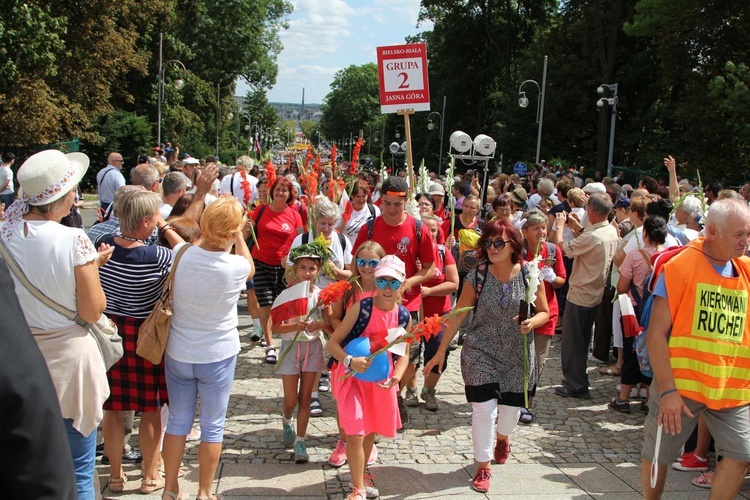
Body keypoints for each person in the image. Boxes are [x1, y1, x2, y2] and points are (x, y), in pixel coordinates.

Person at [0, 149, 112, 500]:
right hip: (69, 361)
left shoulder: (5, 235)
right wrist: (92, 268)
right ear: (62, 196)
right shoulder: (72, 239)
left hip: (18, 359)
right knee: (78, 471)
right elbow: (93, 310)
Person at [424, 220, 549, 493]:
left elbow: (545, 311)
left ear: (513, 245)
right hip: (481, 350)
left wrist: (532, 323)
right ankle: (482, 466)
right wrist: (441, 351)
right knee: (483, 410)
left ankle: (503, 438)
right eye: (488, 243)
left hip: (517, 354)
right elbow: (458, 315)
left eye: (498, 243)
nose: (492, 248)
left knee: (508, 414)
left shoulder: (530, 274)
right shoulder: (477, 276)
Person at [641, 199, 750, 499]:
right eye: (740, 234)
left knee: (742, 454)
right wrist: (667, 393)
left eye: (748, 234)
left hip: (731, 390)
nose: (746, 241)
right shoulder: (680, 267)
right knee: (658, 455)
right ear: (713, 231)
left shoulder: (746, 270)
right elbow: (656, 336)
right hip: (681, 388)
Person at [161, 198, 254, 500]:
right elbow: (250, 266)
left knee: (178, 420)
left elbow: (178, 241)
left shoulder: (182, 254)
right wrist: (238, 234)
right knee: (213, 426)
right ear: (233, 231)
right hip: (216, 353)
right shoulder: (235, 267)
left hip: (179, 351)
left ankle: (170, 488)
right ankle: (204, 491)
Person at [97, 189, 184, 494]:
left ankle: (117, 475)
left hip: (109, 334)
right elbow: (186, 253)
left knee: (112, 407)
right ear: (147, 220)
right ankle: (149, 475)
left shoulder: (102, 248)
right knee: (150, 407)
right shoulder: (159, 256)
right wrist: (166, 227)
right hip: (145, 336)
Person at [352, 176, 436, 424]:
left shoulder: (417, 228)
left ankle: (395, 391)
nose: (391, 210)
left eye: (396, 205)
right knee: (375, 351)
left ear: (405, 202)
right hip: (374, 303)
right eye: (386, 204)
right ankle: (375, 396)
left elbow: (429, 268)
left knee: (408, 354)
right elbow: (356, 263)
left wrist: (407, 283)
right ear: (381, 202)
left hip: (406, 305)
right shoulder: (370, 228)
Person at [328, 256, 412, 500]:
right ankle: (358, 489)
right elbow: (334, 343)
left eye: (393, 283)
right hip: (352, 378)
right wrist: (349, 361)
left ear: (402, 285)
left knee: (370, 432)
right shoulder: (362, 308)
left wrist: (397, 376)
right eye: (382, 281)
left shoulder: (403, 316)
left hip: (378, 383)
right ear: (375, 281)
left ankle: (361, 474)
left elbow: (403, 354)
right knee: (355, 432)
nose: (387, 288)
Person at [0, 258, 77, 499]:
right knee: (81, 454)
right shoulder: (74, 240)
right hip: (64, 350)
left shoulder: (8, 239)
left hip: (34, 347)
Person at [553, 192, 619, 399]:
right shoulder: (609, 230)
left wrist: (561, 227)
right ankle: (578, 382)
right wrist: (577, 228)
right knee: (581, 340)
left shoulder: (593, 235)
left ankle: (575, 385)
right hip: (595, 293)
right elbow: (588, 241)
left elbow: (562, 249)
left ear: (591, 210)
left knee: (573, 343)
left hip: (581, 294)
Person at [328, 240, 386, 468]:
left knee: (370, 402)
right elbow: (335, 317)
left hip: (375, 357)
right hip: (347, 355)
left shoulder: (386, 289)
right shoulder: (349, 287)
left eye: (373, 262)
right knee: (344, 403)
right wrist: (342, 335)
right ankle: (344, 441)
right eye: (362, 261)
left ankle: (368, 443)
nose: (367, 267)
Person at [273, 240, 331, 463]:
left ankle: (300, 440)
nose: (307, 273)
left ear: (319, 270)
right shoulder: (288, 295)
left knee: (305, 397)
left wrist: (321, 325)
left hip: (313, 348)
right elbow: (275, 327)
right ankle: (287, 419)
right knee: (290, 399)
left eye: (312, 268)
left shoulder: (322, 295)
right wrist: (293, 326)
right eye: (303, 268)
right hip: (290, 347)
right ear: (295, 270)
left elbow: (330, 323)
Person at [609, 216, 667, 415]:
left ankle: (623, 397)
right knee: (652, 352)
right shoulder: (668, 257)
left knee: (632, 351)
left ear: (644, 233)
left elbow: (622, 286)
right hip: (658, 312)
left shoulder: (634, 256)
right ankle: (649, 398)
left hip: (633, 312)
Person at [402, 214, 459, 411]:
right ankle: (411, 388)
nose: (430, 233)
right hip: (415, 313)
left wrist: (429, 291)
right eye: (426, 229)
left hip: (439, 315)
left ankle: (429, 389)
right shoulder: (409, 252)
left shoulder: (443, 253)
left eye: (433, 230)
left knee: (437, 352)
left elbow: (453, 283)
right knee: (412, 355)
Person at [250, 177, 305, 364]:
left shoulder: (294, 215)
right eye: (278, 189)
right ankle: (269, 345)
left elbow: (299, 240)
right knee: (265, 303)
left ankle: (287, 342)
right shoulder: (261, 210)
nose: (280, 193)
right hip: (260, 262)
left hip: (284, 266)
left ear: (290, 194)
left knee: (283, 305)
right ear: (272, 191)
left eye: (285, 190)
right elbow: (246, 230)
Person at [519, 210, 566, 422]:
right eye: (536, 228)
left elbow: (562, 280)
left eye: (544, 227)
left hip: (546, 312)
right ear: (525, 231)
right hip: (520, 312)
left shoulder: (552, 251)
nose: (542, 232)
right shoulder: (517, 251)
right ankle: (513, 400)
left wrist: (552, 278)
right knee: (518, 357)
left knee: (537, 360)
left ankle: (527, 403)